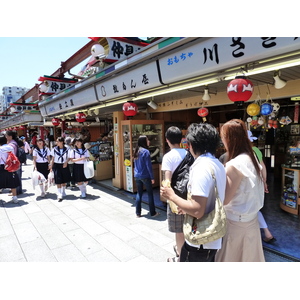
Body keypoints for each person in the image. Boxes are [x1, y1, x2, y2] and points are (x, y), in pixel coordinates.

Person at [161, 123, 226, 262]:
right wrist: (185, 207)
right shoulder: (217, 164)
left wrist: (171, 195)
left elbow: (197, 210)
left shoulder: (200, 167)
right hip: (212, 236)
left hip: (200, 239)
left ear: (190, 144)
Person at [215, 119, 265, 262]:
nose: (222, 140)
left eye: (223, 137)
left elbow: (225, 199)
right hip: (251, 221)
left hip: (236, 223)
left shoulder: (234, 164)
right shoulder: (252, 157)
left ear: (230, 139)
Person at [161, 126, 187, 262]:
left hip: (176, 197)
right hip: (189, 198)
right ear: (181, 139)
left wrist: (167, 196)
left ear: (167, 140)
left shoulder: (168, 156)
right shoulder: (189, 154)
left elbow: (167, 180)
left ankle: (180, 257)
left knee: (179, 230)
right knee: (189, 226)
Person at [247, 130, 276, 243]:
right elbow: (262, 167)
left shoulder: (242, 153)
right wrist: (264, 182)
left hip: (250, 185)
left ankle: (265, 233)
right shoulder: (256, 150)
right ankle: (267, 233)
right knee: (255, 209)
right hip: (257, 183)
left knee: (252, 210)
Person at [133, 135, 159, 218]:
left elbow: (135, 164)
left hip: (137, 175)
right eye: (147, 140)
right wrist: (152, 177)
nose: (149, 141)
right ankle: (152, 212)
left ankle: (138, 213)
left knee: (139, 193)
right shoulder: (146, 152)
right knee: (150, 194)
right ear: (144, 141)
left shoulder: (136, 151)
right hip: (145, 175)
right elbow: (149, 166)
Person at [49, 137, 71, 202]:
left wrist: (66, 162)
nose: (56, 143)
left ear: (62, 142)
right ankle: (59, 194)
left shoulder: (67, 149)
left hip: (64, 165)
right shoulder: (54, 149)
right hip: (57, 165)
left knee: (64, 179)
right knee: (58, 179)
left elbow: (69, 157)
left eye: (57, 141)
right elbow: (52, 158)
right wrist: (51, 166)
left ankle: (63, 191)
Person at [0, 135, 21, 203]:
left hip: (2, 166)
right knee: (12, 181)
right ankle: (15, 198)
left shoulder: (0, 149)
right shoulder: (10, 147)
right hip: (11, 166)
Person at [5, 130, 23, 195]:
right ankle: (19, 191)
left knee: (15, 177)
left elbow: (11, 155)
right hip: (17, 162)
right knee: (18, 177)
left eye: (6, 136)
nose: (6, 137)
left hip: (14, 162)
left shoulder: (11, 144)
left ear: (10, 136)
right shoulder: (14, 143)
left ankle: (16, 192)